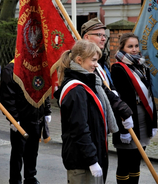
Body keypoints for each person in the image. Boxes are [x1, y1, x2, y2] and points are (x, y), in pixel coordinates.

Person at [54, 40, 132, 184]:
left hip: (93, 155)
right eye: (94, 60)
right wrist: (92, 160)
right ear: (79, 60)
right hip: (82, 162)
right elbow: (79, 129)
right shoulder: (76, 90)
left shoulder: (91, 82)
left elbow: (106, 98)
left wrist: (124, 111)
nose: (96, 64)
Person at [111, 33, 158, 184]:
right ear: (122, 48)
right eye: (130, 46)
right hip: (127, 119)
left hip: (143, 118)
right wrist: (124, 130)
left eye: (136, 46)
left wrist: (154, 121)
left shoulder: (143, 66)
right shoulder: (118, 68)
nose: (134, 49)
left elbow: (150, 95)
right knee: (125, 162)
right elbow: (120, 100)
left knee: (137, 160)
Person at [0, 59, 51, 184]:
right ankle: (15, 179)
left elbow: (45, 89)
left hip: (36, 116)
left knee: (33, 151)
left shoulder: (39, 66)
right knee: (18, 152)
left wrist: (47, 110)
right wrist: (14, 118)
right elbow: (7, 97)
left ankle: (30, 176)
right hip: (20, 119)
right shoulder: (11, 69)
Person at [81, 17, 116, 93]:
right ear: (86, 37)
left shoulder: (102, 60)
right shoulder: (82, 62)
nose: (103, 39)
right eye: (99, 35)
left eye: (104, 35)